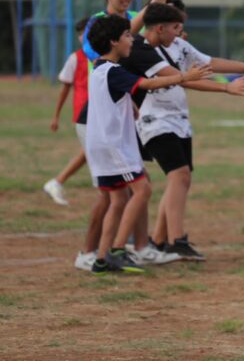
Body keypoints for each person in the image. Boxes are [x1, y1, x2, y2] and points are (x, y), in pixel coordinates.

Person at [137, 0, 244, 260]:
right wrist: (226, 88)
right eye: (176, 26)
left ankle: (159, 240)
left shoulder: (178, 45)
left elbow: (209, 62)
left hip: (179, 121)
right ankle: (177, 240)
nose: (180, 31)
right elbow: (185, 80)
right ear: (160, 26)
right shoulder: (141, 50)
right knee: (179, 175)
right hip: (154, 120)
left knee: (180, 179)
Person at [85, 14, 211, 274]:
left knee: (119, 199)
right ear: (113, 42)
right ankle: (118, 250)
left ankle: (101, 259)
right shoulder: (113, 72)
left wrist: (129, 105)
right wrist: (184, 77)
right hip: (115, 146)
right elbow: (148, 83)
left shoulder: (99, 68)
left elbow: (115, 97)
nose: (132, 39)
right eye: (127, 35)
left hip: (102, 145)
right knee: (142, 190)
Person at [43, 18, 91, 206]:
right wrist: (56, 116)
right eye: (81, 34)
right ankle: (57, 182)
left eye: (87, 32)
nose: (83, 37)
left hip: (102, 112)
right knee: (93, 152)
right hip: (84, 114)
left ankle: (57, 182)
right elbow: (65, 89)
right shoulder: (75, 58)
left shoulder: (108, 56)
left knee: (91, 152)